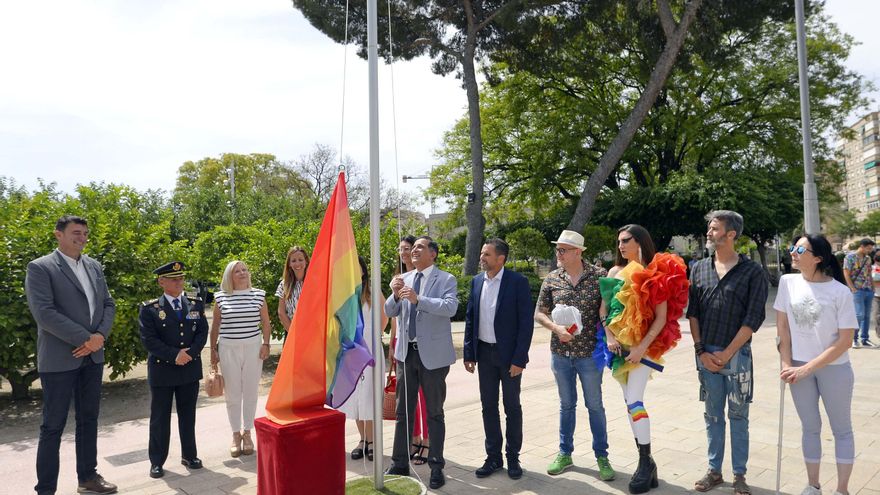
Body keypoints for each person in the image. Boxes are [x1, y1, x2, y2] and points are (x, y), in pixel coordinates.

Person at [25, 215, 118, 495]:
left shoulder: (94, 266)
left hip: (92, 356)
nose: (82, 237)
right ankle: (46, 489)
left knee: (89, 420)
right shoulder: (41, 268)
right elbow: (44, 313)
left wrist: (98, 337)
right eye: (76, 232)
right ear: (59, 235)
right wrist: (85, 338)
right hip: (59, 359)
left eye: (86, 233)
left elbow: (108, 303)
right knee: (52, 426)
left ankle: (88, 477)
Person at [599, 225, 689, 493]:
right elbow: (604, 309)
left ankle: (643, 462)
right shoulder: (615, 272)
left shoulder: (654, 272)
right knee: (629, 403)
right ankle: (647, 464)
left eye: (625, 240)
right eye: (618, 242)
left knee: (635, 400)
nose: (620, 246)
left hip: (644, 349)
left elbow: (661, 318)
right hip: (619, 349)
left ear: (640, 242)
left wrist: (641, 349)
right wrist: (610, 337)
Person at [687, 210, 768, 495]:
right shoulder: (698, 268)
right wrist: (701, 352)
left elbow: (753, 319)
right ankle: (714, 471)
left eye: (714, 228)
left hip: (738, 357)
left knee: (738, 416)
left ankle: (739, 475)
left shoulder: (752, 272)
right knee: (712, 416)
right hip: (706, 355)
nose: (709, 232)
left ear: (731, 234)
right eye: (709, 227)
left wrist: (728, 353)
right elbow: (693, 313)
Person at [775, 234, 857, 495]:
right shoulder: (787, 282)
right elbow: (783, 329)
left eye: (800, 249)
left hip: (834, 369)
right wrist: (787, 364)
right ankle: (813, 485)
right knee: (810, 427)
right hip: (797, 367)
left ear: (818, 258)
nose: (793, 252)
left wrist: (807, 368)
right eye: (792, 247)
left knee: (841, 429)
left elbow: (845, 341)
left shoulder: (840, 292)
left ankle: (842, 490)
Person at [535, 230, 615, 482]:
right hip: (560, 354)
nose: (558, 254)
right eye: (557, 249)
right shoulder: (551, 279)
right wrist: (556, 328)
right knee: (566, 405)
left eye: (563, 250)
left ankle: (602, 456)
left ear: (578, 252)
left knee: (594, 406)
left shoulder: (599, 276)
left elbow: (609, 311)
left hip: (590, 354)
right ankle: (564, 453)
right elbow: (539, 313)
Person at [384, 236, 458, 490]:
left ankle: (436, 466)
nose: (413, 250)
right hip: (406, 354)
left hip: (434, 357)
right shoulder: (404, 279)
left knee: (434, 412)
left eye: (419, 247)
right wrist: (395, 295)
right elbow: (389, 311)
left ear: (433, 254)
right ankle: (400, 463)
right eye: (412, 247)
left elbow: (450, 307)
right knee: (403, 411)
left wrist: (419, 300)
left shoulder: (446, 279)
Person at [463, 239, 534, 480]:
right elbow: (470, 319)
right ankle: (493, 457)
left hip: (510, 357)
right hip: (484, 354)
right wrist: (469, 353)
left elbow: (526, 325)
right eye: (481, 253)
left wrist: (519, 359)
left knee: (512, 407)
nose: (481, 257)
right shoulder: (476, 282)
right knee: (488, 406)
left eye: (486, 254)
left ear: (500, 258)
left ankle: (513, 457)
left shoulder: (517, 282)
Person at [138, 261, 208, 479]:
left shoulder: (195, 303)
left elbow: (202, 332)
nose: (179, 282)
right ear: (161, 281)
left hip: (189, 367)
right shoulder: (150, 309)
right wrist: (174, 355)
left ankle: (189, 455)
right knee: (160, 417)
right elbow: (149, 340)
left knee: (188, 415)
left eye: (181, 278)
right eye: (174, 279)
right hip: (163, 370)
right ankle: (157, 461)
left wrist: (190, 353)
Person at [209, 260, 272, 458]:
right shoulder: (220, 297)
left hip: (253, 346)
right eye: (238, 271)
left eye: (245, 269)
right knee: (233, 393)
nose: (243, 273)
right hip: (228, 348)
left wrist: (266, 344)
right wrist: (213, 350)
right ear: (230, 276)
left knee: (251, 391)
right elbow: (216, 326)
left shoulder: (259, 294)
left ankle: (248, 433)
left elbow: (266, 322)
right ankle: (236, 435)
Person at [338, 256, 389, 462]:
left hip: (370, 351)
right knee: (356, 397)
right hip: (350, 353)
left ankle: (372, 440)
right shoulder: (344, 294)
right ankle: (362, 440)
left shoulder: (372, 290)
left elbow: (385, 315)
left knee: (370, 396)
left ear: (363, 270)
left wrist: (374, 337)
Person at [388, 235, 431, 464]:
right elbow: (395, 315)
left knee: (425, 399)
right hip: (402, 344)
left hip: (423, 347)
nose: (403, 252)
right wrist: (392, 341)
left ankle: (427, 441)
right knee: (405, 400)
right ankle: (413, 438)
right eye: (401, 249)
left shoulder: (426, 277)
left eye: (408, 248)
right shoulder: (399, 279)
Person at [843, 237, 876, 347]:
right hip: (857, 289)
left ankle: (865, 339)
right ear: (861, 246)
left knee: (866, 316)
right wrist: (852, 288)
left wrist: (872, 287)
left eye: (871, 248)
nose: (870, 250)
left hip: (868, 289)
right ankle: (854, 338)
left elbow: (869, 273)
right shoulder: (850, 257)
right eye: (868, 248)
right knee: (859, 314)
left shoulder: (867, 258)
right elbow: (846, 273)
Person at [275, 246, 309, 337]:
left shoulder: (315, 282)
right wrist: (293, 333)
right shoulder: (284, 284)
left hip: (313, 332)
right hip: (291, 332)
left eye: (300, 259)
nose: (297, 263)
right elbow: (281, 312)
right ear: (289, 264)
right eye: (293, 261)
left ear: (306, 261)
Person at [874, 254, 880, 341]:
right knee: (877, 316)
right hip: (877, 295)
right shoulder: (874, 268)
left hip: (876, 295)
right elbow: (876, 281)